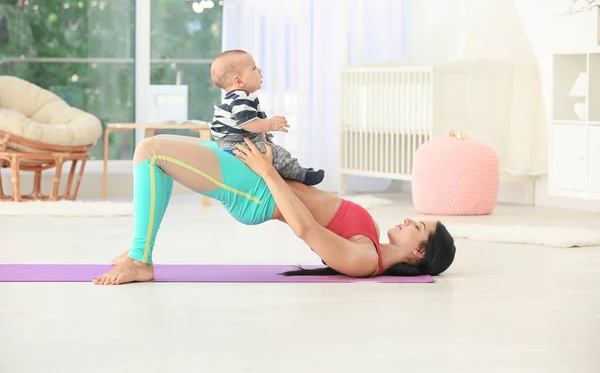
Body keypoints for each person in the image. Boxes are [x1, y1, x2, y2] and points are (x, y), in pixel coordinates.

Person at [93, 136, 456, 285]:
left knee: (152, 151)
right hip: (262, 181)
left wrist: (267, 172)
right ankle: (139, 253)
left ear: (419, 251)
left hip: (258, 194)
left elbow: (307, 230)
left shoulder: (365, 260)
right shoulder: (371, 236)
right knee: (158, 157)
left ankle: (141, 260)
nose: (409, 219)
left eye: (418, 226)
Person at [209, 49, 324, 186]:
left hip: (238, 142)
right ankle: (302, 176)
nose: (260, 70)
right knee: (277, 154)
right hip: (237, 147)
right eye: (254, 68)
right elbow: (248, 124)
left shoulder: (236, 98)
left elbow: (247, 123)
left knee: (270, 148)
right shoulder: (240, 98)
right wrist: (270, 124)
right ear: (239, 81)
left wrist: (263, 132)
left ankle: (295, 170)